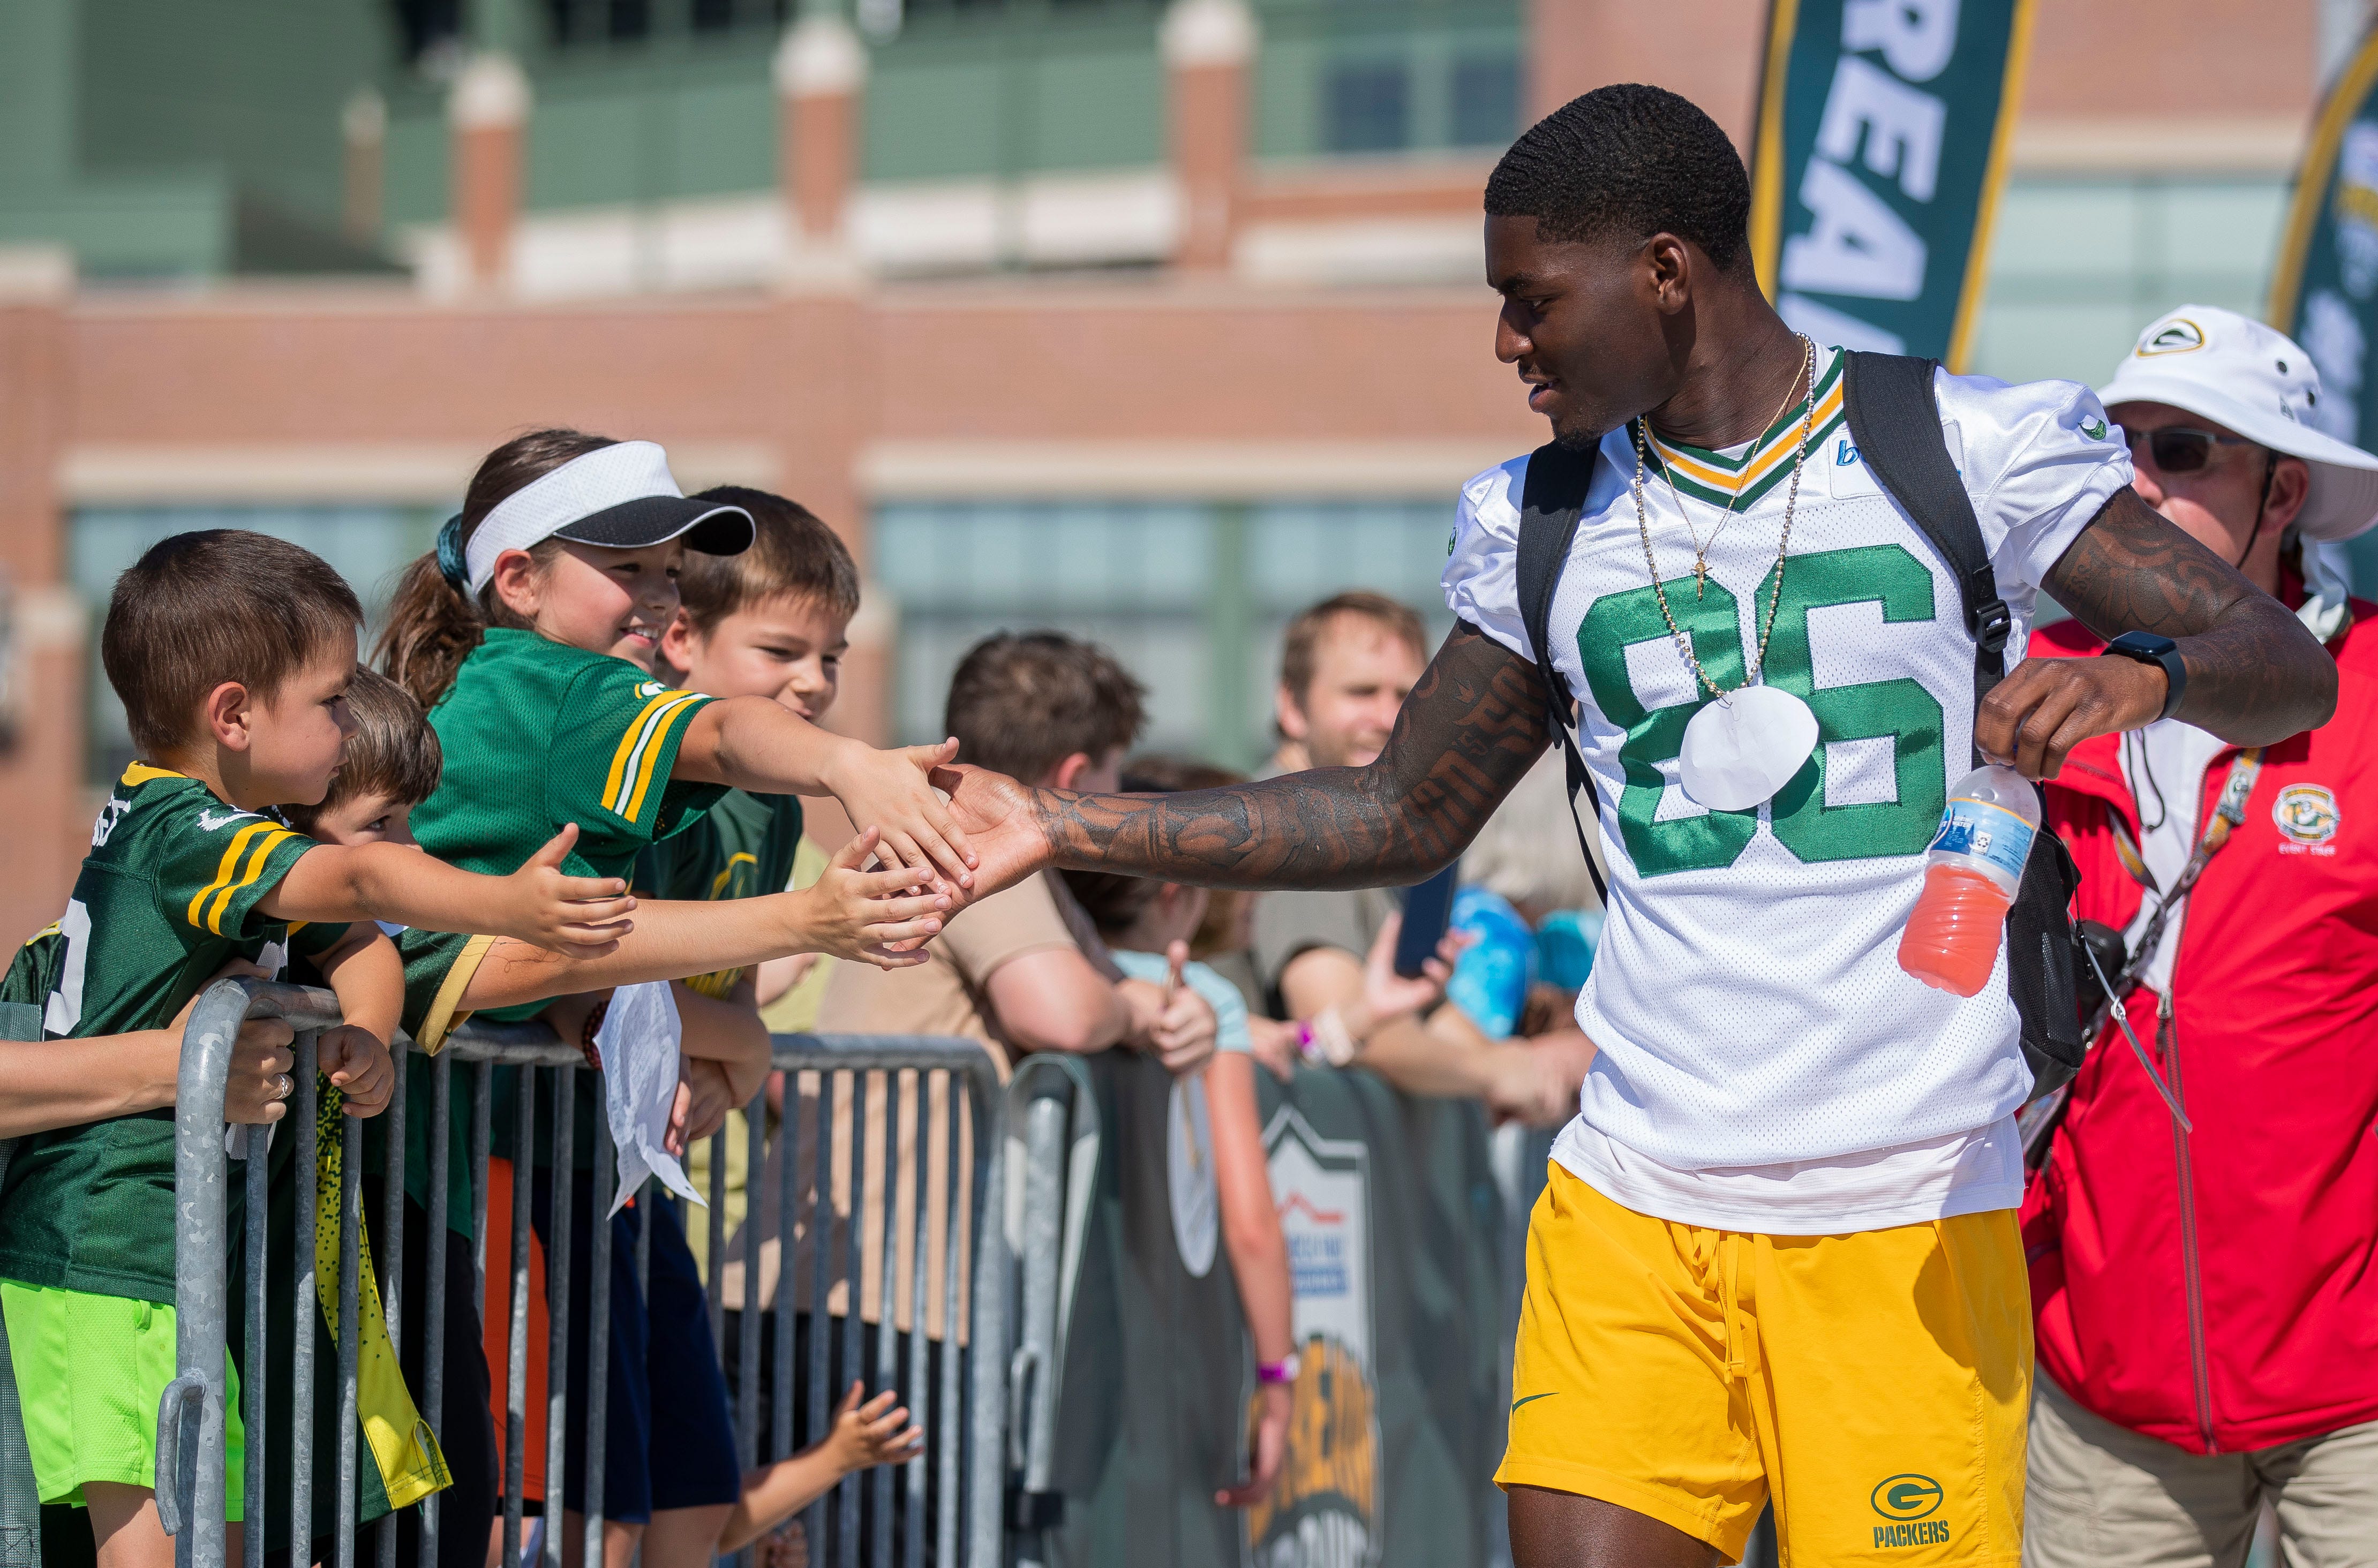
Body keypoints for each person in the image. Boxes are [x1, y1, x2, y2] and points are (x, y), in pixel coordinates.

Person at [929, 84, 2338, 1567]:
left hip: (1906, 1208)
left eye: (1530, 300)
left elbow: (2279, 665)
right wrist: (1061, 826)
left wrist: (2135, 678)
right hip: (1635, 1202)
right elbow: (1397, 811)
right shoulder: (1539, 521)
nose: (1505, 343)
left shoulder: (1962, 445)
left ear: (1668, 272)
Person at [369, 427, 966, 1568]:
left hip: (546, 1170)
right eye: (626, 567)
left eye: (665, 571)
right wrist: (844, 784)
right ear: (518, 580)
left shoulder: (556, 685)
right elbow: (719, 740)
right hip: (477, 1163)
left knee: (618, 1509)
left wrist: (706, 1035)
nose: (654, 595)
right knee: (522, 1515)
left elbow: (595, 969)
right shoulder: (548, 687)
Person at [0, 530, 634, 1568]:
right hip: (102, 1249)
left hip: (174, 1256)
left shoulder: (210, 833)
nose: (349, 721)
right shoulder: (186, 831)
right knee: (153, 1547)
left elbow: (352, 944)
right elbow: (356, 889)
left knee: (217, 1535)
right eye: (332, 699)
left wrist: (364, 1037)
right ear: (235, 715)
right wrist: (509, 903)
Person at [2021, 306, 2378, 1567]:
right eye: (2115, 449)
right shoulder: (2027, 687)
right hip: (2105, 1390)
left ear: (2285, 489)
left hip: (2361, 1400)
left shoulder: (2377, 694)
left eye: (2181, 450)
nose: (2135, 483)